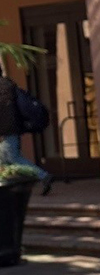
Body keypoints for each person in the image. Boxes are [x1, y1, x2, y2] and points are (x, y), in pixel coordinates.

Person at [0, 59, 52, 193]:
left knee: (13, 158)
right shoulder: (9, 86)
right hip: (11, 130)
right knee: (5, 161)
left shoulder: (3, 88)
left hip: (8, 131)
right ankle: (12, 189)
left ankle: (43, 176)